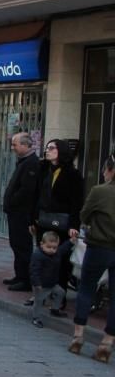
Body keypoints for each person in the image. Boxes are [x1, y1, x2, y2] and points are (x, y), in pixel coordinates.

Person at [69, 153, 115, 362]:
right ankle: (107, 342)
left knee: (86, 287)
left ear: (111, 170)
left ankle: (78, 336)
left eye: (106, 168)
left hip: (100, 246)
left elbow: (84, 214)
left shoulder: (100, 191)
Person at [33, 139, 83, 304]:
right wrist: (32, 219)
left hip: (62, 222)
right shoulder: (43, 169)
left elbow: (77, 202)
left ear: (60, 151)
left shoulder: (72, 174)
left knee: (60, 259)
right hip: (43, 219)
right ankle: (40, 295)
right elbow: (36, 195)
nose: (48, 151)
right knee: (41, 257)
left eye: (52, 148)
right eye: (47, 148)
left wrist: (74, 225)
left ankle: (58, 297)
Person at [3, 132, 40, 292]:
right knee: (16, 244)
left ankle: (25, 280)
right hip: (15, 212)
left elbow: (27, 190)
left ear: (25, 145)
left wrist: (12, 201)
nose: (13, 148)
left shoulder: (32, 163)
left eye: (15, 144)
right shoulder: (23, 162)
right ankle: (19, 275)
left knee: (22, 246)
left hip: (22, 212)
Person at [30, 231, 72, 328]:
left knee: (61, 292)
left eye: (54, 247)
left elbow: (63, 249)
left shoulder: (57, 252)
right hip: (41, 285)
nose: (52, 250)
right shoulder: (38, 256)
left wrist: (71, 241)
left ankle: (55, 309)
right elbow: (34, 271)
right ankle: (36, 318)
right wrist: (37, 283)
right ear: (42, 244)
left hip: (52, 283)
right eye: (49, 247)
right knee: (39, 301)